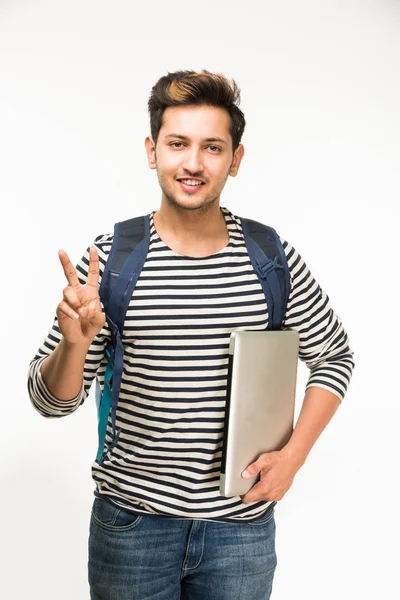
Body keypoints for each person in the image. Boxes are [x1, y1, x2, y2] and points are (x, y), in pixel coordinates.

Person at [28, 69, 355, 600]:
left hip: (242, 526)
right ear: (153, 150)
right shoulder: (112, 260)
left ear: (236, 159)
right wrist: (74, 342)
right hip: (132, 526)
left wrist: (293, 458)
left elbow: (334, 356)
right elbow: (52, 404)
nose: (194, 163)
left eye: (213, 147)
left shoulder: (270, 258)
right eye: (178, 144)